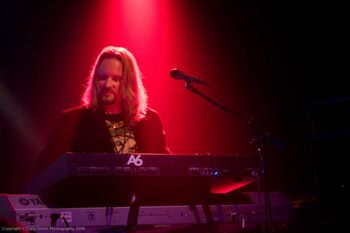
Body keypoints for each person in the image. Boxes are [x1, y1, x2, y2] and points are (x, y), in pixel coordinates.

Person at [35, 46, 170, 174]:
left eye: (116, 79)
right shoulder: (72, 120)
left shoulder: (149, 121)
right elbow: (44, 168)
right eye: (102, 77)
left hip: (140, 199)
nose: (108, 84)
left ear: (129, 82)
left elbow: (169, 168)